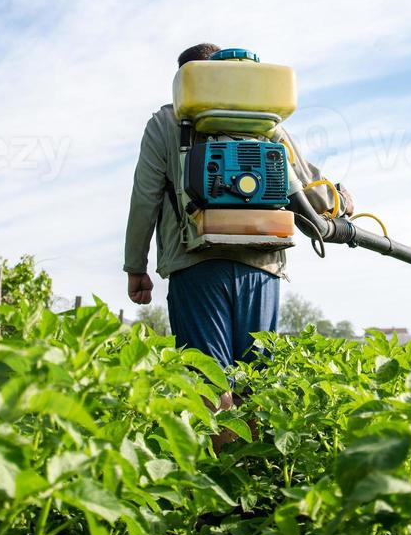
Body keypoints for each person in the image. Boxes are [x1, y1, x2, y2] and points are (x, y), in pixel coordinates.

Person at [124, 43, 354, 373]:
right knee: (256, 385)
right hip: (262, 262)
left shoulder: (165, 122)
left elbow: (145, 198)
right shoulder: (264, 119)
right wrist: (341, 200)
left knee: (210, 384)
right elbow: (306, 186)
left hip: (196, 264)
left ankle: (220, 423)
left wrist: (135, 266)